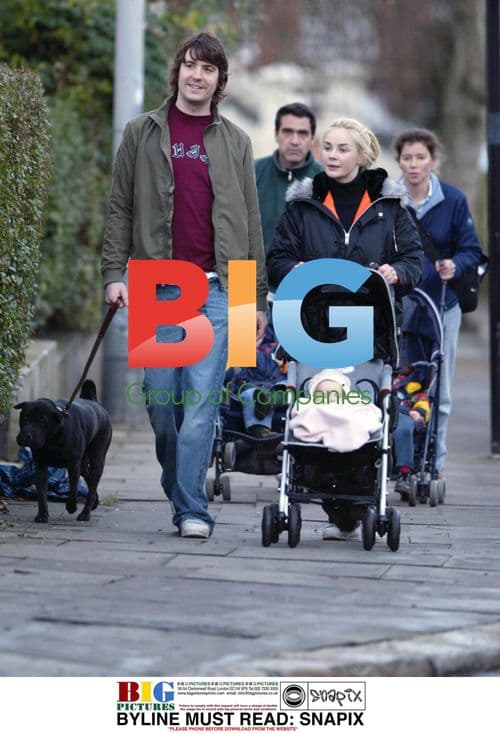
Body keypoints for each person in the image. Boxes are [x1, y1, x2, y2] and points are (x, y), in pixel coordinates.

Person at [101, 32, 268, 539]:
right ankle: (182, 488)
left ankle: (192, 508)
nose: (198, 76)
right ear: (177, 72)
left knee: (200, 408)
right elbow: (120, 208)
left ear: (219, 81)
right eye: (191, 66)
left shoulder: (236, 141)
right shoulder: (141, 132)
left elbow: (252, 223)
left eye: (209, 69)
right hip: (157, 284)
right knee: (161, 406)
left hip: (218, 289)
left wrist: (254, 300)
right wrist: (113, 275)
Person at [267, 116, 423, 541]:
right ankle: (331, 505)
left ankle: (352, 511)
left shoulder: (390, 208)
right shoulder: (302, 205)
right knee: (317, 410)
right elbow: (276, 258)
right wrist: (291, 267)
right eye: (328, 148)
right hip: (314, 328)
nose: (332, 156)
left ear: (363, 155)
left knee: (360, 413)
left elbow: (414, 260)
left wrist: (398, 271)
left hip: (369, 330)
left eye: (342, 149)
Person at [393, 128, 482, 478]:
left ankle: (434, 464)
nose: (414, 165)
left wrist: (454, 265)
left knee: (439, 388)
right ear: (399, 160)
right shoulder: (389, 200)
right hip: (401, 308)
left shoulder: (454, 201)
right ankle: (398, 458)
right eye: (407, 157)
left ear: (433, 160)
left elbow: (472, 250)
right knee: (400, 383)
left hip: (442, 306)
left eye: (420, 157)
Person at [255, 102, 323, 254]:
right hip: (250, 273)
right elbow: (235, 234)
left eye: (303, 133)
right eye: (287, 132)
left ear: (312, 138)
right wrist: (241, 278)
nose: (295, 141)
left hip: (302, 275)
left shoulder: (327, 181)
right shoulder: (250, 173)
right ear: (276, 134)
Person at [289, 368, 382, 452]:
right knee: (312, 412)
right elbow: (300, 411)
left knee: (354, 419)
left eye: (335, 394)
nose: (330, 398)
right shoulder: (309, 403)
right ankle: (336, 432)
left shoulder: (353, 400)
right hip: (319, 416)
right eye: (323, 395)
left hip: (346, 417)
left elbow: (367, 408)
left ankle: (344, 431)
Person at [392, 363, 431, 493]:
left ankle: (404, 473)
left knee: (403, 429)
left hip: (403, 413)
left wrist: (419, 412)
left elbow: (423, 403)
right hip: (375, 411)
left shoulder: (413, 388)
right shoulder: (377, 378)